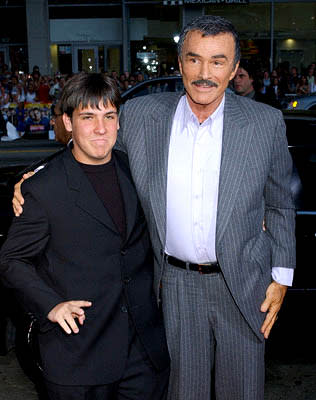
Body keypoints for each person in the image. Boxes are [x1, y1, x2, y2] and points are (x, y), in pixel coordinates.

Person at [12, 15, 295, 400]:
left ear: (233, 68)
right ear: (179, 65)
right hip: (172, 285)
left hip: (243, 282)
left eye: (217, 61)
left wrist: (281, 277)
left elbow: (280, 203)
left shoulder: (265, 123)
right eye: (194, 59)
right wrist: (35, 174)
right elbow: (92, 141)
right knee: (181, 392)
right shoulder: (145, 116)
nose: (204, 73)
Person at [1, 72, 170, 400]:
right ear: (67, 121)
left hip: (143, 357)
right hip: (80, 357)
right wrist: (51, 305)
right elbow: (11, 259)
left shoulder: (135, 170)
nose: (101, 128)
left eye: (109, 116)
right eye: (88, 117)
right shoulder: (43, 188)